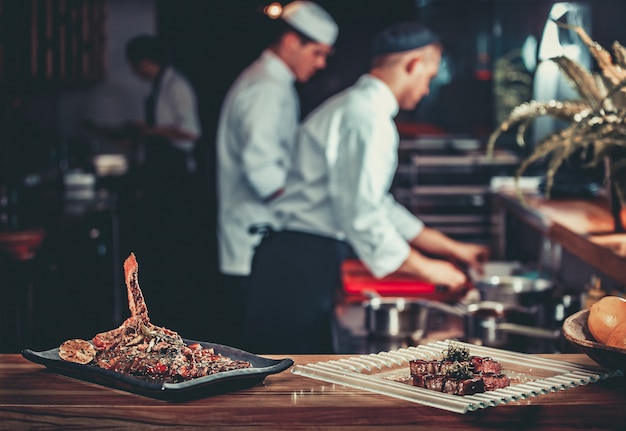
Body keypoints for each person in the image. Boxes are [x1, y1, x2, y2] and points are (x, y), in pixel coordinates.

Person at [244, 21, 490, 354]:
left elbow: (376, 203)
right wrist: (427, 267)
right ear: (413, 64)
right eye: (429, 77)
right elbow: (361, 215)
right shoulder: (367, 117)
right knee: (287, 384)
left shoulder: (357, 106)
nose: (427, 89)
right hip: (298, 261)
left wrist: (450, 249)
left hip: (299, 257)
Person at [215, 1, 338, 346]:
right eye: (317, 53)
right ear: (290, 42)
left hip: (259, 239)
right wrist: (313, 208)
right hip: (256, 243)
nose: (321, 63)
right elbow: (263, 172)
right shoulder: (267, 87)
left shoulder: (272, 82)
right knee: (257, 350)